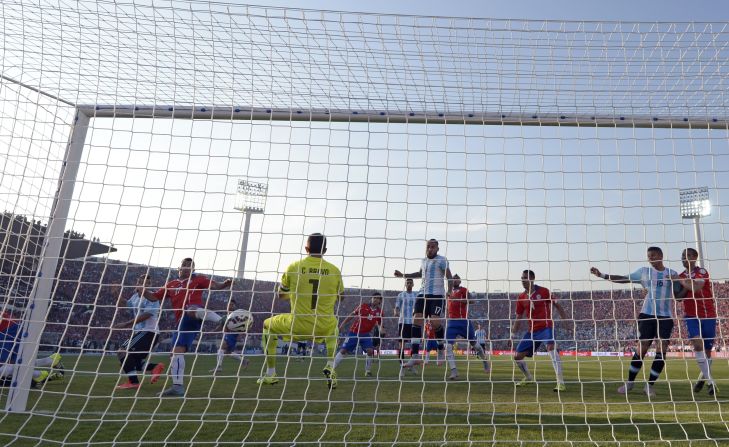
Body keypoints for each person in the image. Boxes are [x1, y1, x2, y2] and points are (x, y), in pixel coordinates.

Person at [591, 246, 679, 398]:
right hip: (647, 314)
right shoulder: (644, 272)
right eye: (648, 256)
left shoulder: (672, 273)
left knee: (662, 349)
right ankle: (630, 382)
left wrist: (678, 282)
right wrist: (602, 275)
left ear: (661, 255)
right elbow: (624, 278)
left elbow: (679, 295)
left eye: (652, 255)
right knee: (642, 348)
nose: (650, 258)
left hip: (665, 317)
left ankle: (649, 386)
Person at [259, 233, 344, 388]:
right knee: (334, 326)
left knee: (266, 324)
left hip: (297, 324)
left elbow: (280, 295)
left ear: (306, 248)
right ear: (325, 250)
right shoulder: (335, 271)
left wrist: (296, 293)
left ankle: (270, 373)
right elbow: (341, 298)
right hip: (323, 327)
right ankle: (330, 365)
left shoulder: (294, 267)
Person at [139, 257, 232, 397]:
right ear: (179, 268)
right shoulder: (171, 284)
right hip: (180, 322)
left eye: (190, 265)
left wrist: (224, 284)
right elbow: (154, 297)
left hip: (193, 315)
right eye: (185, 264)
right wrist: (143, 291)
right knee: (175, 353)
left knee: (190, 308)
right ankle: (177, 387)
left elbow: (214, 285)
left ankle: (222, 320)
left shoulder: (198, 279)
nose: (187, 266)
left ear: (193, 269)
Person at [394, 239, 452, 371]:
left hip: (437, 295)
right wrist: (403, 275)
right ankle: (414, 355)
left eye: (432, 247)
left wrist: (448, 291)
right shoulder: (423, 261)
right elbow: (420, 274)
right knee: (416, 320)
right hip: (422, 294)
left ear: (437, 249)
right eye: (428, 247)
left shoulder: (442, 260)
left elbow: (449, 277)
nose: (430, 249)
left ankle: (440, 348)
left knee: (434, 322)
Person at [512, 270, 568, 392]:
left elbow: (557, 305)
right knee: (517, 356)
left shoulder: (544, 291)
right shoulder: (521, 297)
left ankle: (561, 383)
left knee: (551, 348)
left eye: (525, 278)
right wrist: (512, 334)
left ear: (532, 278)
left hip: (546, 327)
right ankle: (528, 378)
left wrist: (565, 321)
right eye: (522, 278)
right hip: (532, 331)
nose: (523, 280)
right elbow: (518, 317)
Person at [672, 247, 718, 396]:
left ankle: (701, 378)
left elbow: (697, 287)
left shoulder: (702, 272)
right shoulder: (680, 275)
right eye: (682, 255)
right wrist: (682, 283)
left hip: (708, 315)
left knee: (707, 352)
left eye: (687, 255)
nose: (684, 258)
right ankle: (711, 382)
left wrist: (681, 281)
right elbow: (678, 297)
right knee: (697, 344)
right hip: (691, 315)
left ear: (695, 257)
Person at [113, 274, 165, 390]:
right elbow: (124, 304)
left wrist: (126, 324)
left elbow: (147, 314)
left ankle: (133, 382)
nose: (141, 283)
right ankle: (154, 367)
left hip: (148, 332)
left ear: (149, 285)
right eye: (140, 281)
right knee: (133, 361)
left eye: (144, 282)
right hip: (142, 333)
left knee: (122, 352)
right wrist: (116, 293)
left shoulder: (152, 297)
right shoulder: (135, 297)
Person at [0, 309, 64, 387]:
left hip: (7, 332)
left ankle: (37, 374)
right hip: (14, 329)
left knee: (5, 365)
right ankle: (49, 361)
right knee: (15, 362)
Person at [444, 275, 490, 380]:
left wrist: (459, 299)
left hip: (463, 321)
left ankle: (485, 361)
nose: (455, 279)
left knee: (476, 345)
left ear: (459, 281)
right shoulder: (448, 292)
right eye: (453, 278)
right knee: (448, 347)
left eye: (457, 278)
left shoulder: (464, 290)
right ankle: (454, 371)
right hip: (451, 322)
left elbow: (471, 301)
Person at [332, 293, 384, 377]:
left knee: (370, 351)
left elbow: (380, 324)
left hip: (365, 334)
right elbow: (352, 315)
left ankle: (367, 371)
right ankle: (331, 369)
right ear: (371, 298)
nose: (375, 299)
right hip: (354, 332)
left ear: (380, 301)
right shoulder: (363, 306)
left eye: (378, 298)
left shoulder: (380, 312)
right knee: (343, 350)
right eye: (374, 297)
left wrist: (381, 329)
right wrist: (341, 325)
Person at [210, 299, 250, 374]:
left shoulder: (237, 315)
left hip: (232, 335)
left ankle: (219, 367)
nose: (230, 306)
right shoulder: (225, 316)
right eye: (229, 304)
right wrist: (212, 332)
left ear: (234, 306)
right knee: (227, 352)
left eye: (232, 305)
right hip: (227, 335)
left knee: (221, 348)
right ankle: (244, 360)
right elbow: (220, 326)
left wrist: (241, 334)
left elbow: (243, 325)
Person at [394, 278, 418, 376]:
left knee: (414, 345)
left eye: (410, 282)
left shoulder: (416, 295)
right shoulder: (401, 295)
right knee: (401, 346)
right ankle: (402, 368)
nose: (408, 284)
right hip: (403, 323)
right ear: (405, 284)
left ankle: (411, 365)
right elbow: (396, 307)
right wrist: (396, 311)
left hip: (413, 322)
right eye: (407, 282)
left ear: (413, 284)